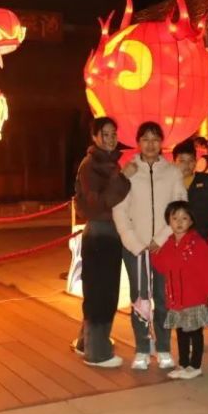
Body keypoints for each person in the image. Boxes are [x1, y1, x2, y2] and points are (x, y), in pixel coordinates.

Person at [113, 121, 188, 370]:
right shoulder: (128, 171)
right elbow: (119, 210)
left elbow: (180, 208)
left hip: (164, 246)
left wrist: (163, 237)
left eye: (155, 139)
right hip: (136, 248)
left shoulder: (173, 172)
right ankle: (143, 348)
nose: (150, 144)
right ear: (138, 143)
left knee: (163, 298)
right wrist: (135, 243)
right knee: (139, 298)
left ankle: (164, 347)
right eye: (145, 139)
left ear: (162, 143)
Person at [72, 117, 134, 367]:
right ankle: (97, 354)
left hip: (109, 233)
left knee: (98, 291)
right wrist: (123, 179)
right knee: (102, 294)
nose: (110, 138)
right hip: (100, 233)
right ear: (95, 137)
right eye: (105, 134)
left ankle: (86, 342)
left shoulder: (108, 163)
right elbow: (97, 204)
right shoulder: (91, 165)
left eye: (113, 134)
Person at [152, 201, 208, 380]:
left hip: (194, 296)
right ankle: (184, 363)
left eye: (184, 218)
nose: (179, 222)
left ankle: (195, 365)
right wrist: (153, 252)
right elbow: (162, 266)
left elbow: (207, 268)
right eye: (175, 218)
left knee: (194, 332)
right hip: (176, 298)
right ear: (169, 221)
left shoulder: (197, 243)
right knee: (180, 332)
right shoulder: (169, 243)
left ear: (191, 221)